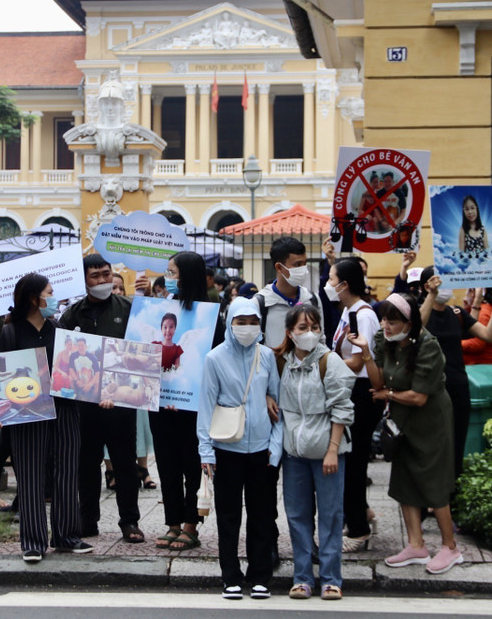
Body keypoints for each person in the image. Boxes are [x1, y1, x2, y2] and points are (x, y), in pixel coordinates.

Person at [349, 293, 464, 575]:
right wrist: (365, 352)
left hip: (430, 421)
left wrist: (388, 394)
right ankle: (416, 545)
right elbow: (377, 384)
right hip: (401, 420)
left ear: (409, 322)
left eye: (392, 320)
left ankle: (450, 548)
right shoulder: (383, 341)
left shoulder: (428, 346)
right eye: (384, 319)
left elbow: (419, 397)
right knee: (405, 480)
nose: (385, 325)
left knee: (432, 482)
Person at [0, 272, 90, 562]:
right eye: (49, 292)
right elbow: (2, 376)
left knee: (67, 471)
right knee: (30, 475)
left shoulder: (59, 329)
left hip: (64, 409)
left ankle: (66, 536)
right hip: (27, 412)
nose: (54, 297)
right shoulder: (11, 332)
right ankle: (33, 542)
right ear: (34, 299)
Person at [198, 296, 282, 600]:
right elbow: (206, 407)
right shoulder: (215, 358)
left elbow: (278, 404)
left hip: (262, 450)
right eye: (240, 322)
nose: (247, 328)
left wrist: (275, 448)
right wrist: (206, 452)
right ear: (229, 323)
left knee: (262, 515)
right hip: (226, 449)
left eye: (252, 322)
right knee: (229, 516)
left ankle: (260, 576)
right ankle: (230, 576)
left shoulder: (268, 356)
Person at [59, 254, 143, 543]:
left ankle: (130, 522)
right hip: (84, 406)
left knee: (125, 464)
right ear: (84, 280)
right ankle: (87, 519)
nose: (103, 281)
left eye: (106, 274)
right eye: (95, 276)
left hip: (120, 404)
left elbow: (138, 354)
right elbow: (63, 360)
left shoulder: (128, 309)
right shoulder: (72, 315)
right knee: (86, 463)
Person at [276, 304, 354, 600]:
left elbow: (342, 408)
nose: (309, 333)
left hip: (327, 452)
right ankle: (303, 577)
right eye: (302, 328)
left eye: (314, 327)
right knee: (297, 516)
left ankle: (332, 578)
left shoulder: (329, 361)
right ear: (290, 333)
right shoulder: (282, 362)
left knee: (331, 515)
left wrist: (333, 450)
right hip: (294, 453)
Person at [146, 251, 215, 552]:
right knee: (166, 462)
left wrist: (184, 393)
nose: (168, 278)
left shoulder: (210, 315)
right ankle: (172, 523)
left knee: (191, 464)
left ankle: (190, 524)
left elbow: (208, 364)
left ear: (187, 275)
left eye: (173, 273)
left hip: (192, 406)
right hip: (160, 404)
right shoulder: (159, 310)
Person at [418, 268, 492, 481]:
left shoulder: (457, 313)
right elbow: (416, 329)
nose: (445, 287)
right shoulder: (420, 311)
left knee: (457, 442)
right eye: (439, 282)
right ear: (426, 286)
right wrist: (431, 296)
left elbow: (488, 335)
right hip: (432, 386)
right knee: (433, 442)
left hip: (458, 385)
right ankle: (430, 495)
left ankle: (452, 493)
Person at [325, 258, 381, 553]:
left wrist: (325, 363)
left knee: (355, 462)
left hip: (360, 391)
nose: (329, 284)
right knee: (351, 460)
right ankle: (362, 515)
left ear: (344, 285)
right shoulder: (348, 311)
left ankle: (359, 529)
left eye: (332, 278)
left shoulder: (363, 315)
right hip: (348, 389)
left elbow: (360, 360)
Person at [256, 236, 322, 349]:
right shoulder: (261, 302)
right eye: (297, 264)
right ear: (279, 267)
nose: (303, 269)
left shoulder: (312, 299)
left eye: (304, 263)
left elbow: (321, 339)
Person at [461, 287, 492, 365]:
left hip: (481, 365)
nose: (465, 296)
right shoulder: (487, 309)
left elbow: (477, 343)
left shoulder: (483, 312)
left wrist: (453, 342)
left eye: (469, 291)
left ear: (474, 292)